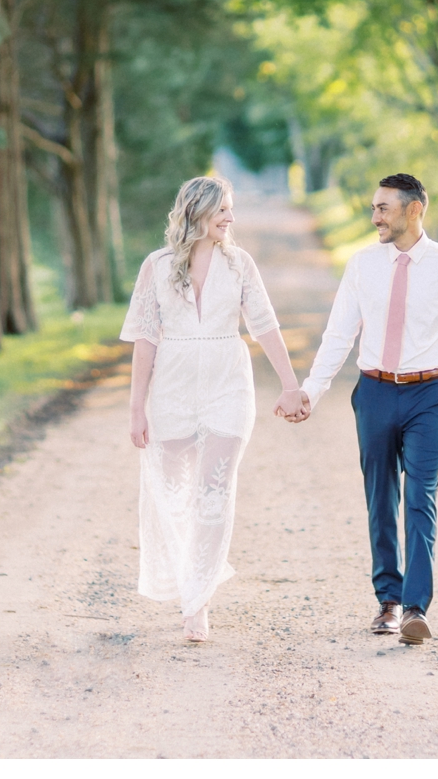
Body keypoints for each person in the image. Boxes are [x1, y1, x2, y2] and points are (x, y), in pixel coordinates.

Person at [283, 172, 438, 646]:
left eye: (383, 208)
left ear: (414, 209)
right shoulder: (362, 265)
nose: (375, 216)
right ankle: (388, 601)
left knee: (420, 497)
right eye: (374, 208)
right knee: (380, 497)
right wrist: (314, 388)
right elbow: (339, 333)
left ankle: (415, 608)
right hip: (373, 391)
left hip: (427, 396)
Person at [121, 175, 306, 642]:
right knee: (173, 495)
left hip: (228, 385)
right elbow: (145, 340)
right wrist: (136, 409)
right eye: (223, 209)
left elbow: (264, 325)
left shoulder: (239, 264)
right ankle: (189, 578)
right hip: (173, 388)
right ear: (196, 212)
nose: (230, 217)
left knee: (213, 496)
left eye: (231, 209)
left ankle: (197, 602)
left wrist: (290, 386)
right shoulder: (157, 266)